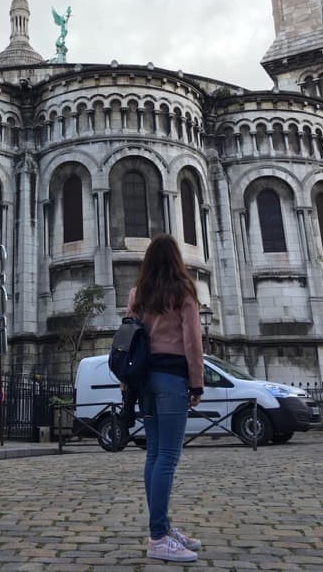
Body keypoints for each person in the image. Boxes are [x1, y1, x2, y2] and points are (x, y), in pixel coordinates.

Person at [127, 234, 204, 563]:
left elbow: (127, 340)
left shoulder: (137, 294)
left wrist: (126, 386)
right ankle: (158, 536)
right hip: (172, 380)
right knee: (168, 458)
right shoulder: (182, 291)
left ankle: (162, 527)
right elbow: (192, 341)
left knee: (154, 455)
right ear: (176, 259)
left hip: (145, 382)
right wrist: (197, 383)